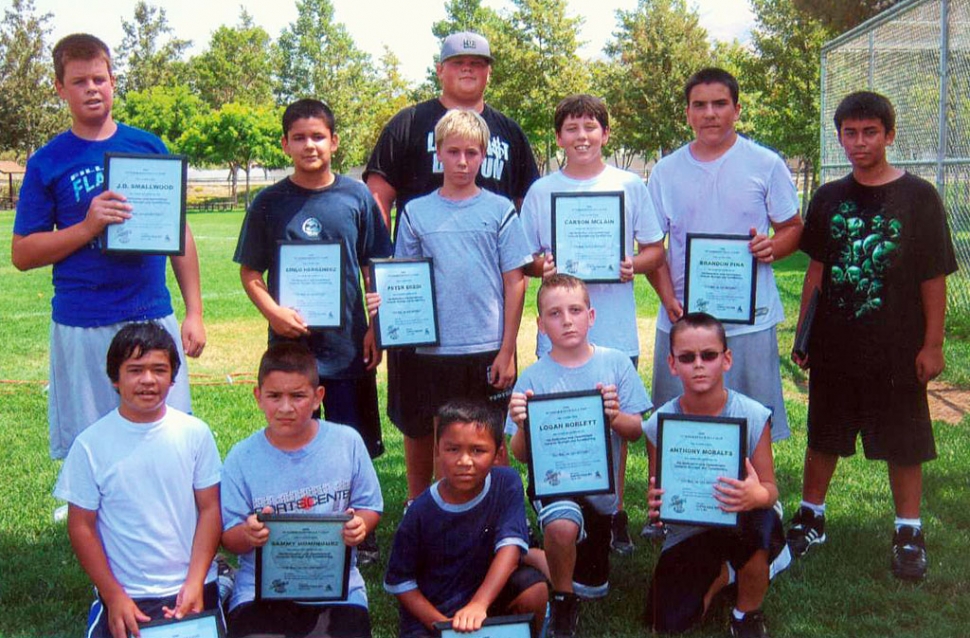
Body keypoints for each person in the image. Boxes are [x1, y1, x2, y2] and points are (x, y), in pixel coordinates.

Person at [788, 91, 957, 581]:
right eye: (850, 133)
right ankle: (811, 517)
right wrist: (805, 333)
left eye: (870, 132)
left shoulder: (919, 196)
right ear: (839, 136)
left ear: (889, 134)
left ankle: (908, 530)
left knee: (904, 438)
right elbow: (817, 270)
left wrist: (933, 343)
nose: (859, 142)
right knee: (824, 434)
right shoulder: (828, 196)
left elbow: (933, 277)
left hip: (897, 346)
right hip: (836, 342)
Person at [11, 33, 205, 462]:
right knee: (92, 441)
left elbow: (178, 233)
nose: (92, 89)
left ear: (114, 81)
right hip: (84, 320)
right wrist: (87, 226)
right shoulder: (49, 160)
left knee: (167, 435)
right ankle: (92, 520)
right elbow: (23, 254)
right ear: (60, 89)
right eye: (79, 81)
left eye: (99, 78)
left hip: (150, 312)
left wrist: (194, 312)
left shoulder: (147, 146)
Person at [364, 31, 539, 503]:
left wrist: (507, 348)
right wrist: (384, 300)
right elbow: (399, 262)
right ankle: (426, 513)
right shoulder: (411, 166)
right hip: (424, 340)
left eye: (478, 62)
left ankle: (496, 515)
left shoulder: (501, 194)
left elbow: (516, 269)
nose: (463, 161)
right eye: (457, 61)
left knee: (489, 432)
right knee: (424, 424)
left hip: (484, 340)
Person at [234, 99, 390, 561]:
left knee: (350, 439)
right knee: (294, 436)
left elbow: (373, 269)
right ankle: (300, 520)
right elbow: (250, 273)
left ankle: (359, 530)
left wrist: (375, 328)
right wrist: (273, 313)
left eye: (318, 136)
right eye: (299, 137)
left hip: (346, 347)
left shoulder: (357, 197)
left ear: (335, 142)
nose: (309, 145)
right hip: (291, 351)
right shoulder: (269, 202)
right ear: (285, 144)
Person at [519, 94, 665, 554]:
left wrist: (633, 265)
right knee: (558, 422)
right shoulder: (543, 191)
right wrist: (542, 266)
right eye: (571, 128)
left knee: (612, 418)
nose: (581, 136)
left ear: (605, 133)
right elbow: (526, 259)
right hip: (559, 334)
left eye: (590, 127)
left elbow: (655, 248)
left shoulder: (629, 184)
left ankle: (614, 510)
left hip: (615, 328)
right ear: (559, 136)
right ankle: (559, 500)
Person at [645, 67, 802, 447]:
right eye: (699, 105)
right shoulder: (665, 171)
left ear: (737, 109)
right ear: (687, 113)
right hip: (684, 319)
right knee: (679, 429)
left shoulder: (765, 164)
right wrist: (668, 300)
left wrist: (772, 246)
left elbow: (794, 228)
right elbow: (652, 249)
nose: (710, 113)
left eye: (720, 104)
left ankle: (758, 501)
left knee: (751, 426)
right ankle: (681, 503)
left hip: (748, 319)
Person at [53, 322, 222, 638]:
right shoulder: (90, 445)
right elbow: (81, 526)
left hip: (193, 586)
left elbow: (210, 509)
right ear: (115, 379)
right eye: (135, 370)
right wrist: (113, 594)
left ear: (173, 377)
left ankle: (219, 585)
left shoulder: (195, 434)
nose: (148, 380)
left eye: (159, 369)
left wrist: (196, 581)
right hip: (128, 592)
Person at [506, 274, 649, 638]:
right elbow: (519, 455)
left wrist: (615, 415)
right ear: (540, 325)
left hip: (601, 494)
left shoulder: (615, 364)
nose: (566, 320)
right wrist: (523, 424)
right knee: (563, 526)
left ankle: (529, 552)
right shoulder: (532, 378)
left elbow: (637, 432)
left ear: (592, 315)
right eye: (554, 313)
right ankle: (564, 602)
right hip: (554, 487)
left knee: (595, 586)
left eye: (575, 310)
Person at [220, 342, 383, 638]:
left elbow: (369, 506)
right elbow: (229, 536)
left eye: (297, 396)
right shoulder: (241, 458)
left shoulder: (347, 443)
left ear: (318, 397)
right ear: (258, 397)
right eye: (274, 396)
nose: (285, 407)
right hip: (260, 591)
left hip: (337, 588)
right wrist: (248, 534)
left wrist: (360, 525)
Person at [643, 313, 788, 638]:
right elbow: (661, 496)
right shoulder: (660, 423)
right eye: (687, 357)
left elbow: (770, 489)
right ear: (672, 363)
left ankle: (746, 612)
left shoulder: (751, 415)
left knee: (759, 520)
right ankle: (727, 573)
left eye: (708, 355)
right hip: (691, 529)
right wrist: (656, 505)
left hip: (744, 518)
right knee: (667, 622)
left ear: (726, 360)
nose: (698, 364)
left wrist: (756, 495)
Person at [384, 400, 548, 638]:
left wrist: (479, 604)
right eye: (453, 449)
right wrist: (445, 628)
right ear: (437, 450)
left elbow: (510, 549)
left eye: (478, 450)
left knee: (534, 590)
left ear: (498, 453)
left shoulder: (507, 482)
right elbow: (401, 583)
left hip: (485, 601)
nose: (464, 461)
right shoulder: (420, 512)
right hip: (433, 614)